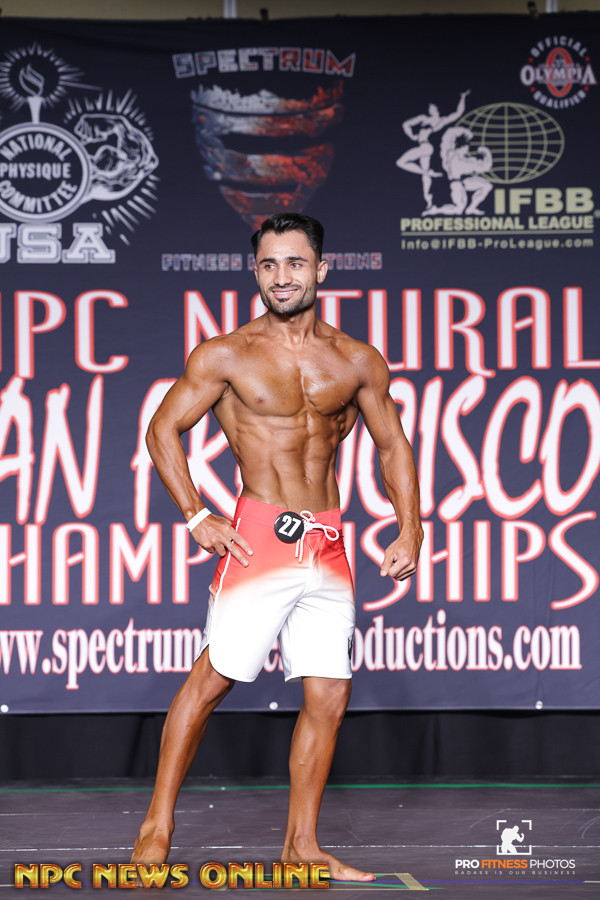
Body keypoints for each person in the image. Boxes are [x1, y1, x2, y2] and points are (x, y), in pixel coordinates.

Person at [131, 212, 423, 883]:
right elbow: (161, 430)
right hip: (260, 536)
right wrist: (196, 514)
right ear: (255, 272)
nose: (282, 277)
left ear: (321, 269)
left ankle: (302, 846)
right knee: (213, 680)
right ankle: (156, 828)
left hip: (328, 542)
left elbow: (392, 444)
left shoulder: (356, 360)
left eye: (294, 263)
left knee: (329, 694)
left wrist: (410, 526)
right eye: (269, 265)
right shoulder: (226, 354)